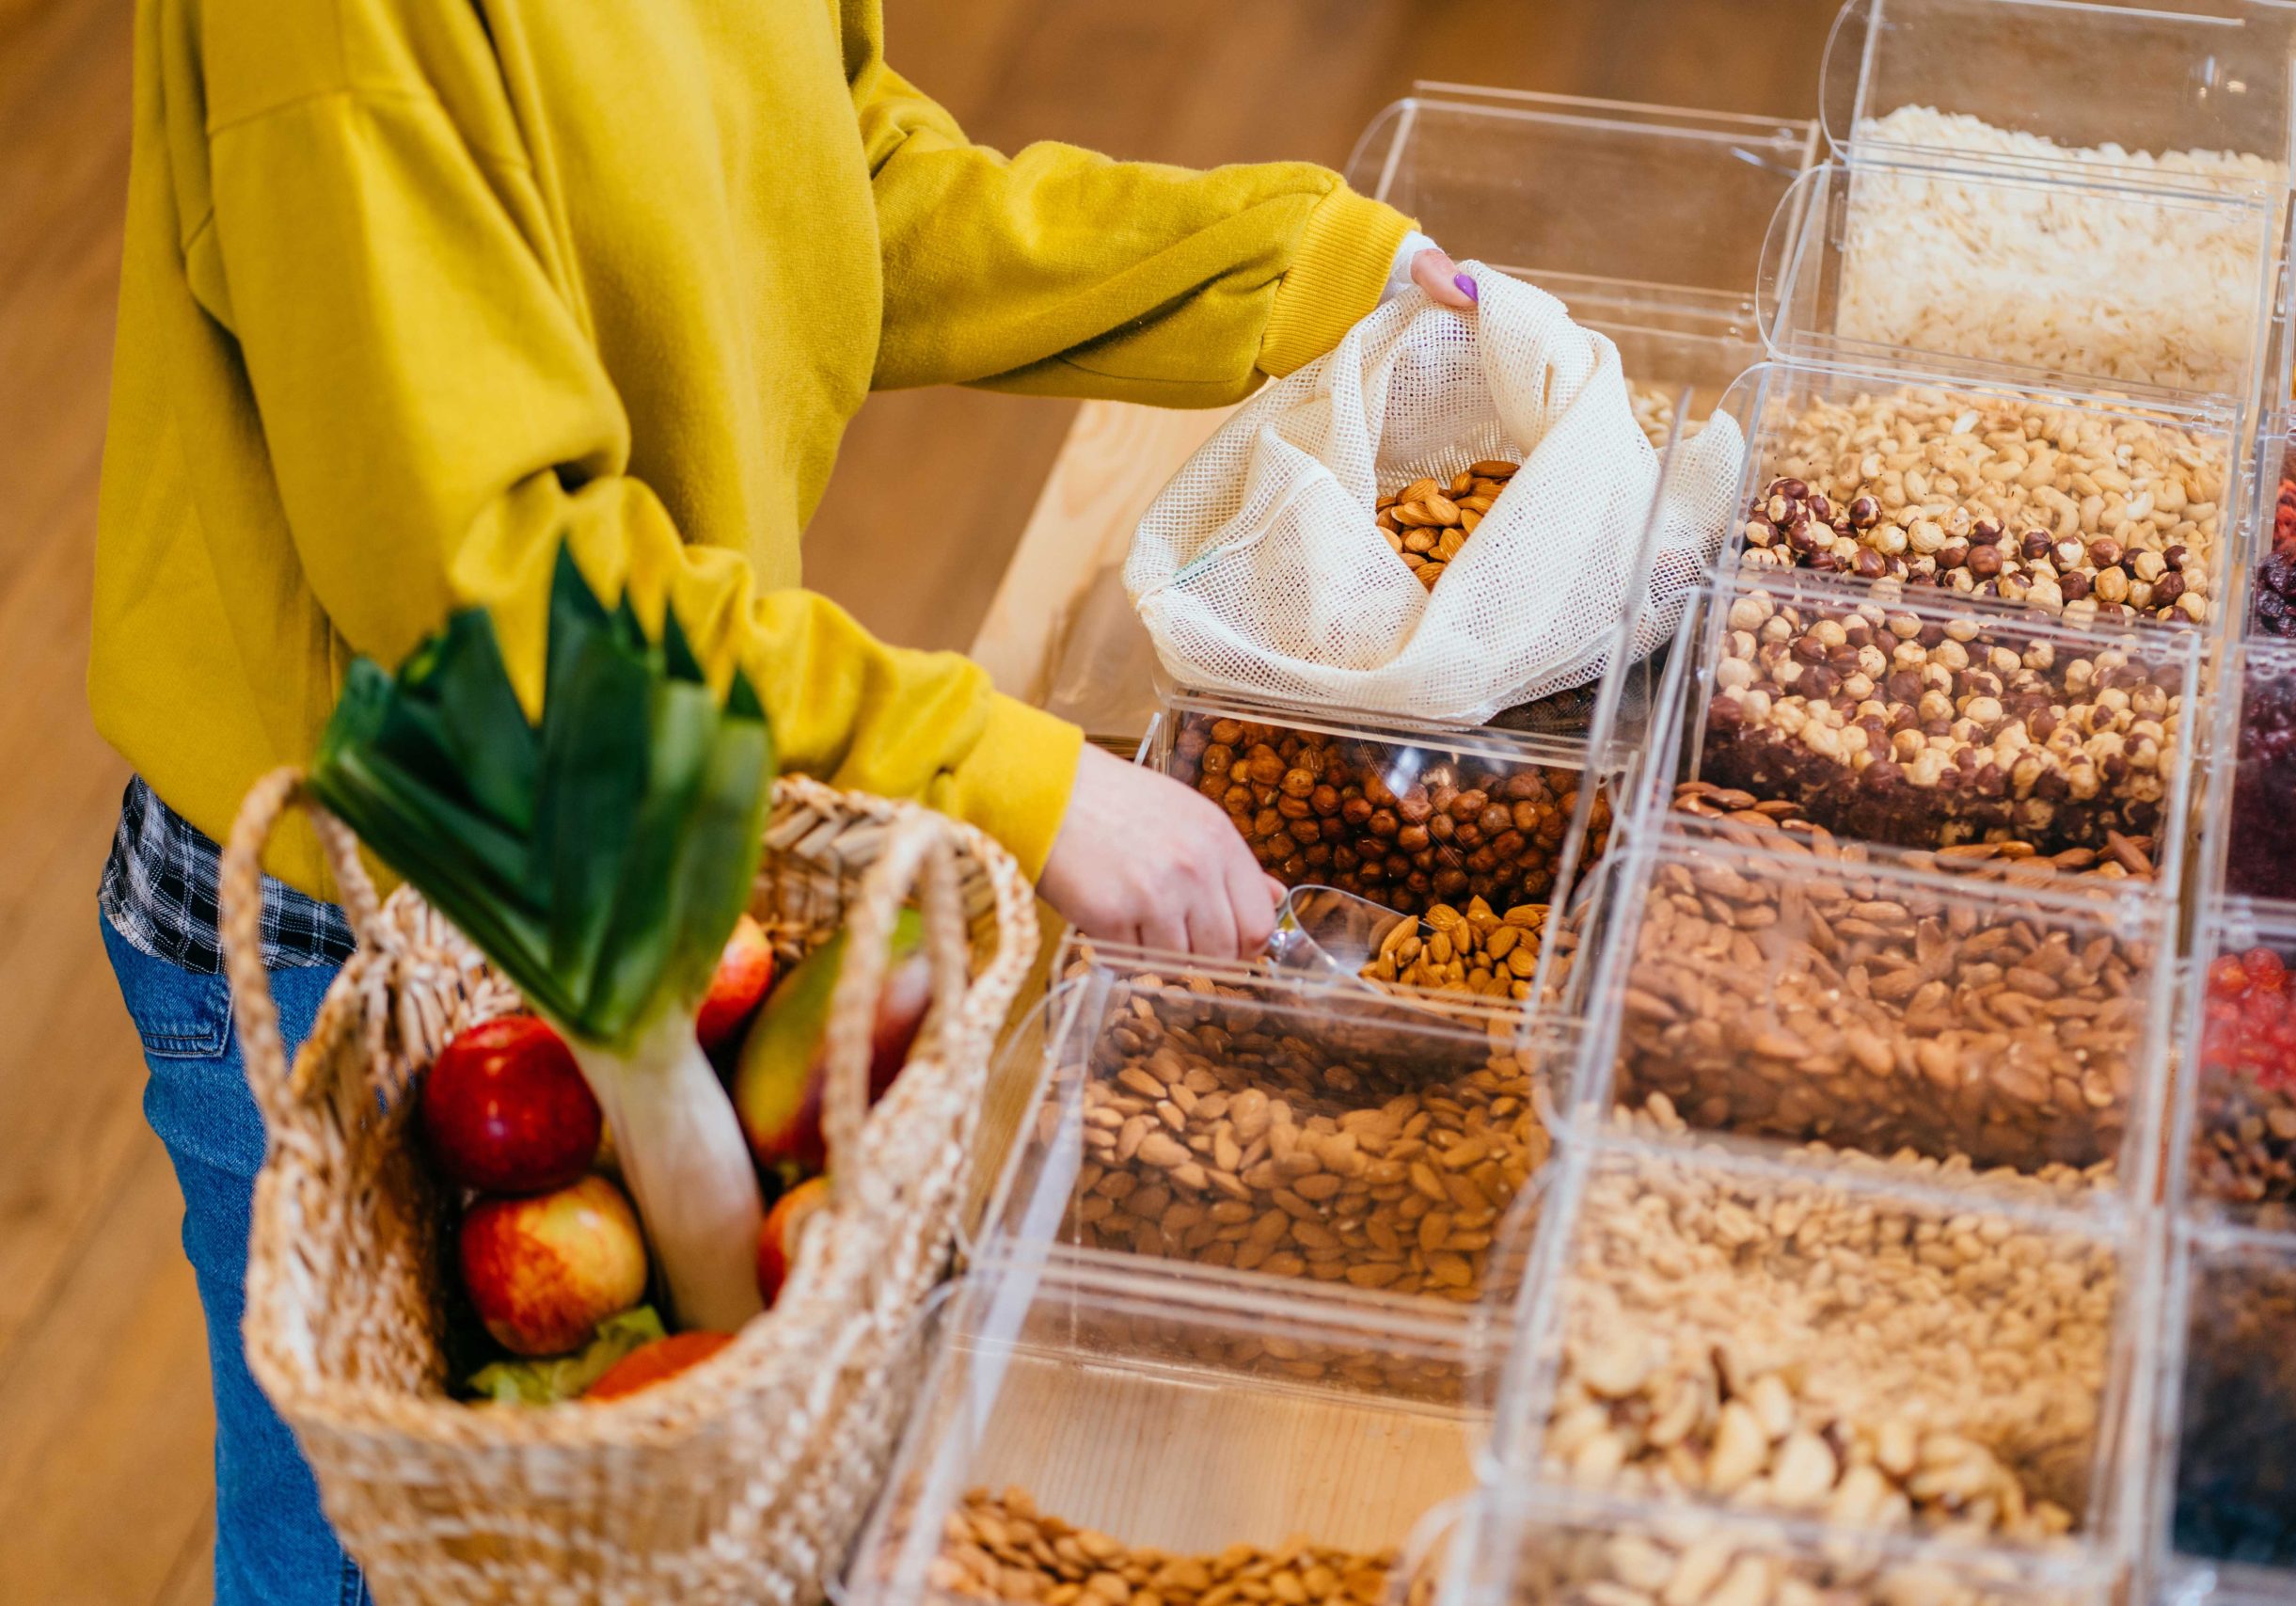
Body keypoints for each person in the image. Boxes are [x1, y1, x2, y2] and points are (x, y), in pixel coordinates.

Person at [88, 0, 1473, 1599]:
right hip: (371, 921)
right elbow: (490, 586)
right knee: (379, 1560)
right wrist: (1015, 778)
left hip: (647, 812)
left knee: (646, 1496)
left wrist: (1297, 268)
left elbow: (845, 177)